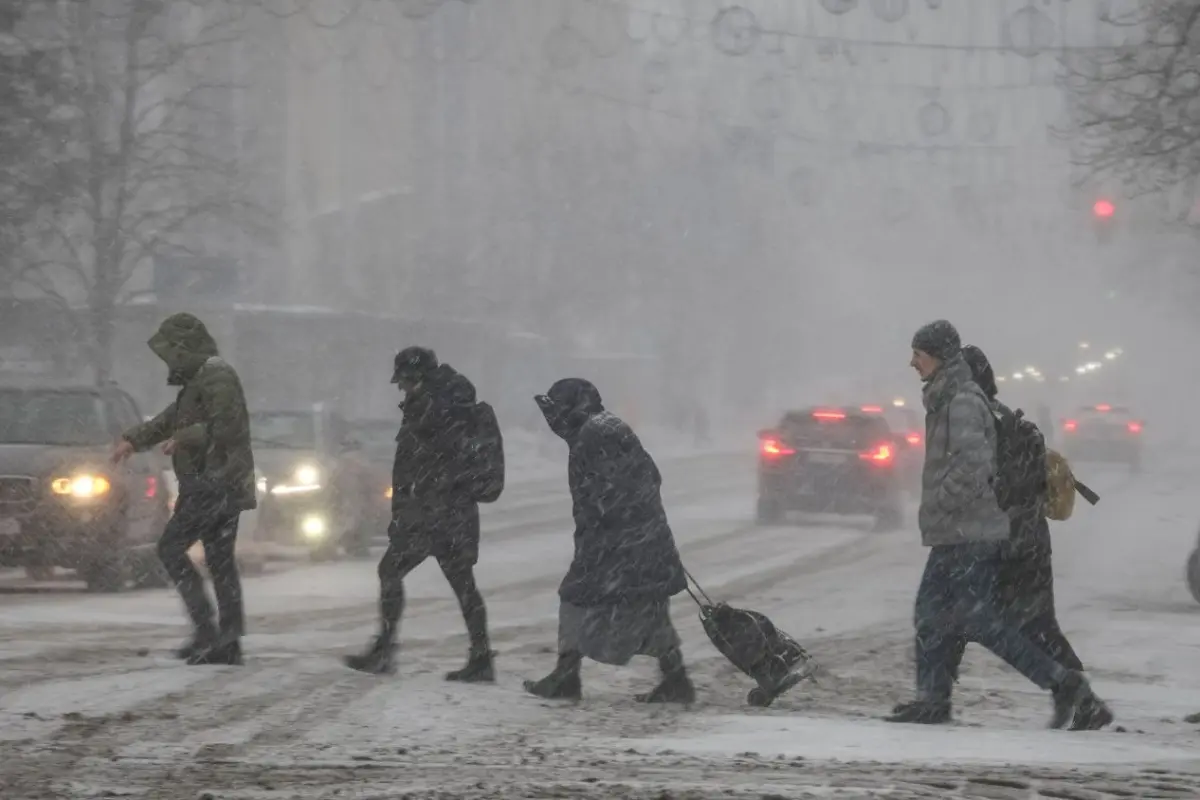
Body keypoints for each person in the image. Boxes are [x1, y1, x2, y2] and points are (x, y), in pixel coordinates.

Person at [886, 320, 1108, 728]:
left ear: (937, 355)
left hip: (970, 533)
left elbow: (973, 466)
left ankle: (1065, 685)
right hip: (956, 532)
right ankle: (933, 699)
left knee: (982, 622)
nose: (912, 362)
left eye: (918, 354)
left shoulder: (963, 401)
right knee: (932, 615)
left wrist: (942, 501)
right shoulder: (946, 397)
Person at [959, 345, 1111, 730]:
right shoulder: (999, 419)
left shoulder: (992, 424)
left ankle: (1080, 697)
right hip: (1026, 538)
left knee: (1007, 624)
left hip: (1013, 540)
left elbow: (1002, 487)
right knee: (1033, 625)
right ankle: (1075, 696)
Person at [523, 378, 695, 704]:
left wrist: (610, 522)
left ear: (575, 407)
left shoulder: (595, 434)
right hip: (635, 539)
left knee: (576, 598)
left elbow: (616, 488)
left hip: (619, 542)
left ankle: (566, 676)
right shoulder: (603, 427)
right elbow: (648, 477)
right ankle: (676, 679)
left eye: (558, 412)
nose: (554, 422)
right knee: (648, 607)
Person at [112, 313, 256, 666]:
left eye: (171, 353)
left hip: (215, 482)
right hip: (213, 483)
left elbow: (228, 426)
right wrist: (133, 439)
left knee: (171, 549)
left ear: (184, 348)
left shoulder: (216, 375)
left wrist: (185, 437)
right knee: (219, 562)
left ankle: (211, 633)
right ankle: (225, 639)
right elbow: (170, 419)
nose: (168, 362)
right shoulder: (200, 379)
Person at [344, 347, 493, 681]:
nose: (400, 388)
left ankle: (385, 649)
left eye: (404, 381)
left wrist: (413, 509)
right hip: (450, 511)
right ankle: (481, 655)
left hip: (433, 513)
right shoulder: (448, 403)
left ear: (417, 377)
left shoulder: (435, 407)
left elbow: (424, 464)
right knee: (463, 584)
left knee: (391, 571)